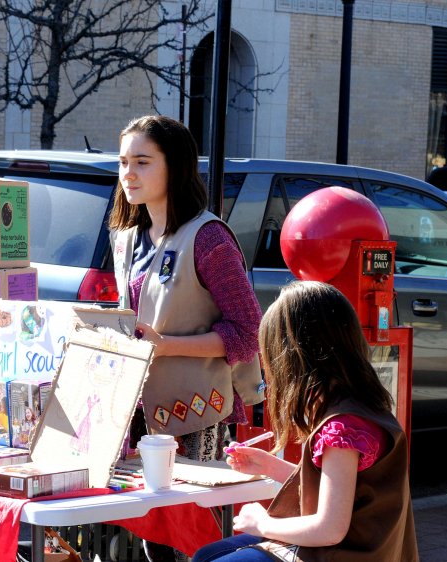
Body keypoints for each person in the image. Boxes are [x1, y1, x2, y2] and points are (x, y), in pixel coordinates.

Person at [109, 115, 263, 560]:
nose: (128, 175)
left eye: (142, 162)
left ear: (174, 167)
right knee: (153, 535)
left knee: (196, 538)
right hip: (136, 411)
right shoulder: (126, 237)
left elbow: (248, 332)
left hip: (197, 412)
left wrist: (167, 345)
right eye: (122, 163)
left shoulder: (208, 237)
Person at [192, 281, 418, 562]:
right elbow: (339, 488)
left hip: (338, 552)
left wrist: (261, 523)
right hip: (360, 549)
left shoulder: (342, 428)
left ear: (293, 358)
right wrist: (269, 466)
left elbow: (329, 529)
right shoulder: (361, 407)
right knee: (207, 554)